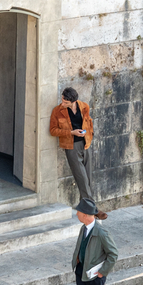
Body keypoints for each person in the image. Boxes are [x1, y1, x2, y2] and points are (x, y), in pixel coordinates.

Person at [63, 198, 119, 285]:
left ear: (86, 215)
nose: (76, 215)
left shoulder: (101, 232)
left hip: (94, 274)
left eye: (78, 212)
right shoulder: (84, 228)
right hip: (81, 271)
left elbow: (113, 254)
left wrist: (102, 272)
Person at [49, 87, 108, 219]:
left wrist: (89, 134)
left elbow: (89, 123)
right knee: (82, 179)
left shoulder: (84, 107)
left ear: (73, 101)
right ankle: (94, 210)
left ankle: (85, 210)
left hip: (85, 144)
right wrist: (71, 132)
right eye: (62, 100)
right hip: (71, 147)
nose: (62, 103)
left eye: (65, 102)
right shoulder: (57, 111)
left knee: (88, 178)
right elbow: (53, 130)